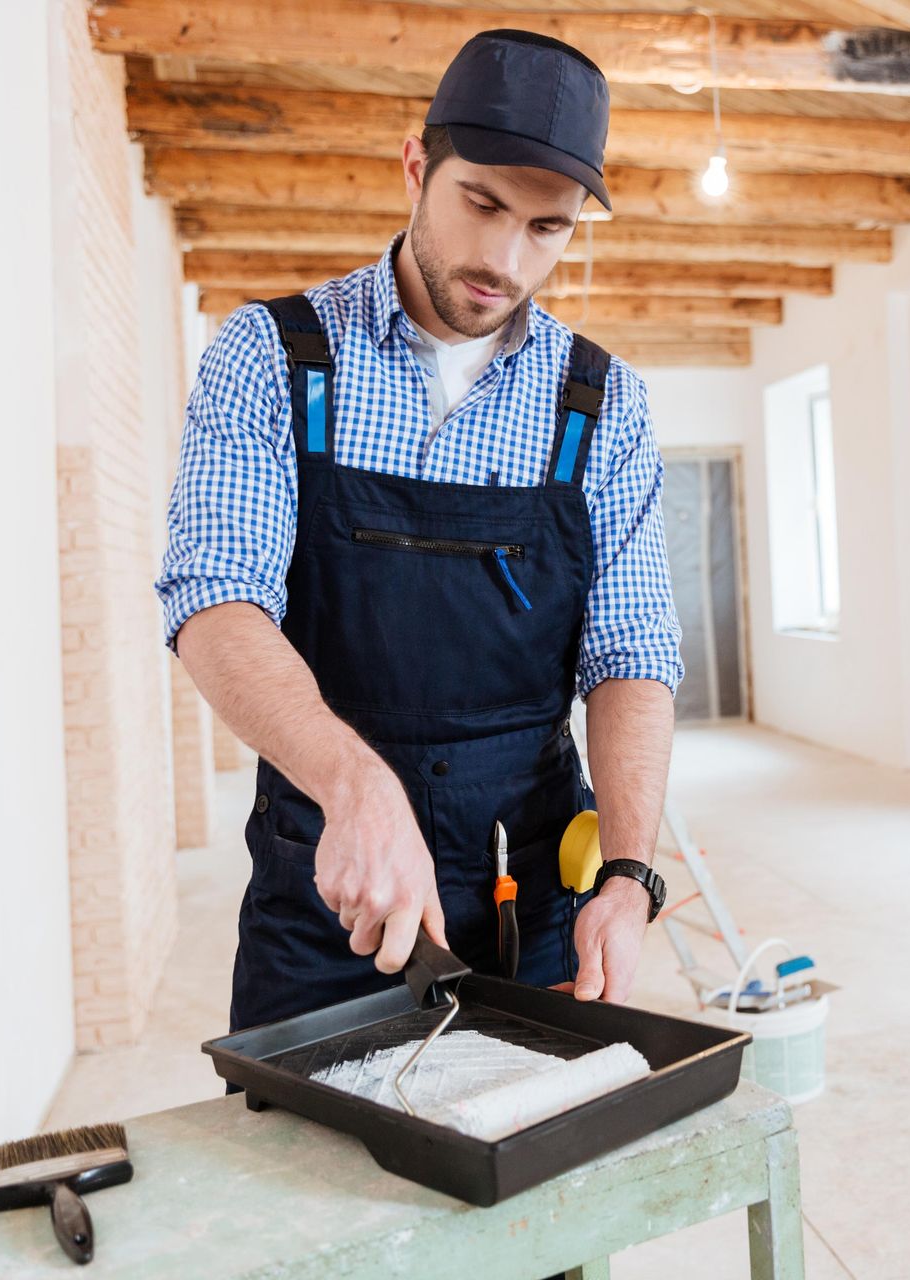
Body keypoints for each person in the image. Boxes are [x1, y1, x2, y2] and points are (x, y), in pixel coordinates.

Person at [155, 30, 678, 1033]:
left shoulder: (602, 403)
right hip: (327, 889)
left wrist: (626, 871)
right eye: (481, 204)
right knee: (312, 1177)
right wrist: (354, 783)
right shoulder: (275, 358)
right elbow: (214, 601)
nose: (504, 258)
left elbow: (633, 653)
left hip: (531, 898)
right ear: (415, 164)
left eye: (548, 228)